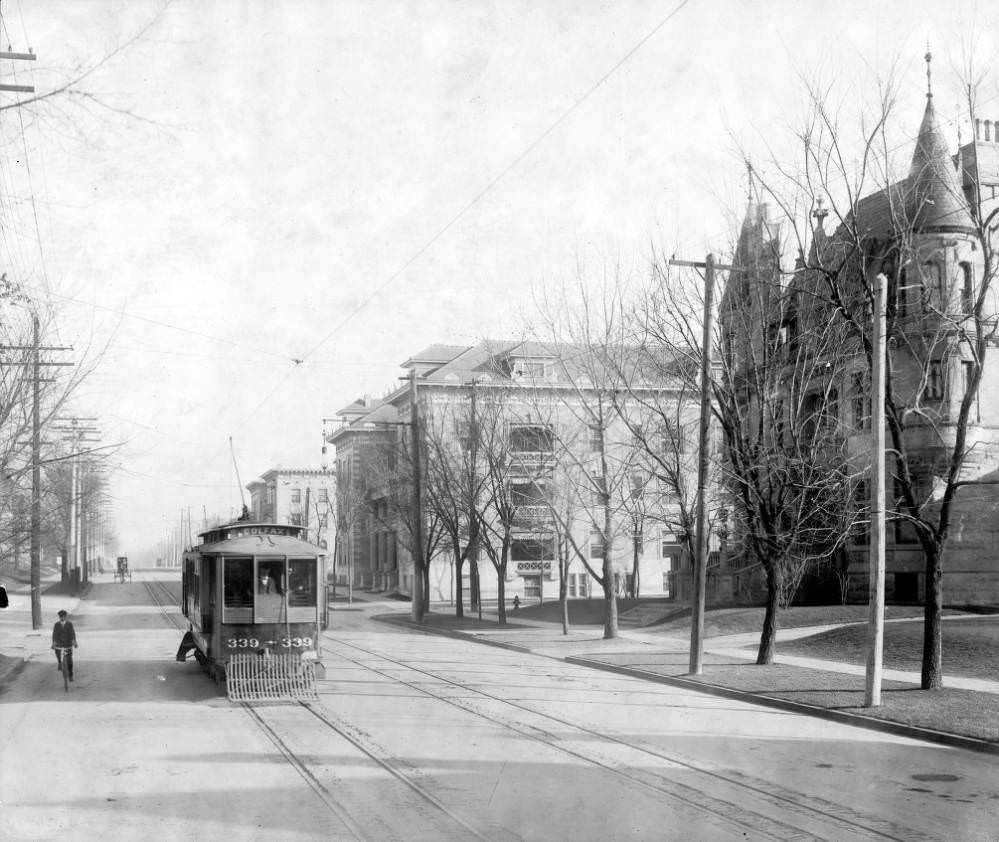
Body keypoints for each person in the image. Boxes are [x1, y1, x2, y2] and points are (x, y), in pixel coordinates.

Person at [51, 609, 78, 681]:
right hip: (59, 643)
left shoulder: (69, 624)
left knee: (69, 660)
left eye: (63, 617)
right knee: (57, 651)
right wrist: (54, 643)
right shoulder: (56, 625)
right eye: (60, 617)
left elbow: (72, 633)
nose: (62, 618)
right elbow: (55, 635)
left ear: (66, 617)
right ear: (59, 617)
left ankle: (70, 675)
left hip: (68, 644)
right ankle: (59, 662)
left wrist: (74, 642)